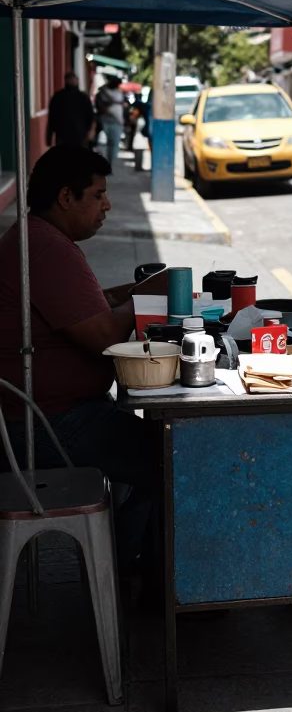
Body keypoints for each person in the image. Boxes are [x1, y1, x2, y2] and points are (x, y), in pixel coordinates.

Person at [0, 145, 167, 576]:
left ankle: (131, 562)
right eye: (97, 195)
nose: (107, 205)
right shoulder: (44, 248)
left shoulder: (39, 237)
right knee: (177, 459)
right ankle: (138, 575)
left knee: (159, 447)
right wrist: (153, 294)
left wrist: (129, 293)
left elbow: (89, 306)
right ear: (66, 197)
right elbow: (103, 336)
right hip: (49, 427)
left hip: (54, 414)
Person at [46, 71, 95, 148]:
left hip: (80, 136)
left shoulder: (83, 97)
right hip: (63, 135)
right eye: (69, 78)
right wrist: (49, 137)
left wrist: (91, 132)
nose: (72, 81)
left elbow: (90, 116)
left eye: (73, 78)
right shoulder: (58, 97)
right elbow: (52, 117)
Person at [95, 75, 125, 168]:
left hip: (116, 121)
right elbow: (99, 106)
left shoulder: (118, 93)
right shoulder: (103, 93)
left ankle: (109, 164)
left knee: (112, 145)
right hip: (105, 120)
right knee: (104, 144)